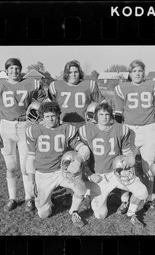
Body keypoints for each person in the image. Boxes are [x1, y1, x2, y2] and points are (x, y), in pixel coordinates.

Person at [0, 58, 48, 213]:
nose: (14, 71)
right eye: (11, 68)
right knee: (11, 166)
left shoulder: (31, 83)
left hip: (25, 126)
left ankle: (29, 198)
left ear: (21, 70)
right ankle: (12, 198)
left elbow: (45, 100)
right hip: (6, 126)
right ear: (6, 70)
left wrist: (38, 108)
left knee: (26, 166)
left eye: (17, 68)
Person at [78, 102, 148, 228]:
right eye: (101, 114)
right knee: (100, 215)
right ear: (96, 116)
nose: (104, 117)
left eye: (107, 114)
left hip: (115, 173)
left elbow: (127, 152)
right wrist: (89, 175)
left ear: (111, 116)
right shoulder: (85, 131)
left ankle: (131, 214)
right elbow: (83, 158)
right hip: (98, 175)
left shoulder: (120, 129)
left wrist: (130, 160)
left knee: (142, 192)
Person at [48, 60, 105, 208]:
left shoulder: (89, 85)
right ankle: (68, 190)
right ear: (66, 73)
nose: (73, 74)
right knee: (64, 160)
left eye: (76, 71)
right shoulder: (56, 86)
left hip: (83, 127)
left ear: (79, 72)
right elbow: (47, 106)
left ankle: (85, 193)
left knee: (84, 160)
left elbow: (102, 103)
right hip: (63, 128)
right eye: (71, 72)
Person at [25, 101, 90, 227]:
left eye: (53, 116)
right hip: (42, 174)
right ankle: (47, 201)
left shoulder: (66, 129)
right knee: (43, 214)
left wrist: (78, 160)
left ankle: (74, 212)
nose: (50, 119)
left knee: (81, 188)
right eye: (47, 116)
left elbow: (84, 149)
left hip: (61, 171)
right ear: (42, 117)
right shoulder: (33, 130)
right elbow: (31, 157)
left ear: (58, 115)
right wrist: (31, 179)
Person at [114, 59, 155, 210]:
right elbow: (118, 114)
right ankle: (124, 199)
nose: (137, 73)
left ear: (144, 72)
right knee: (125, 166)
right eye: (134, 71)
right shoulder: (121, 88)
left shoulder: (153, 86)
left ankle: (148, 199)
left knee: (148, 168)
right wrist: (118, 134)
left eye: (140, 71)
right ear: (129, 74)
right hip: (129, 130)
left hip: (148, 129)